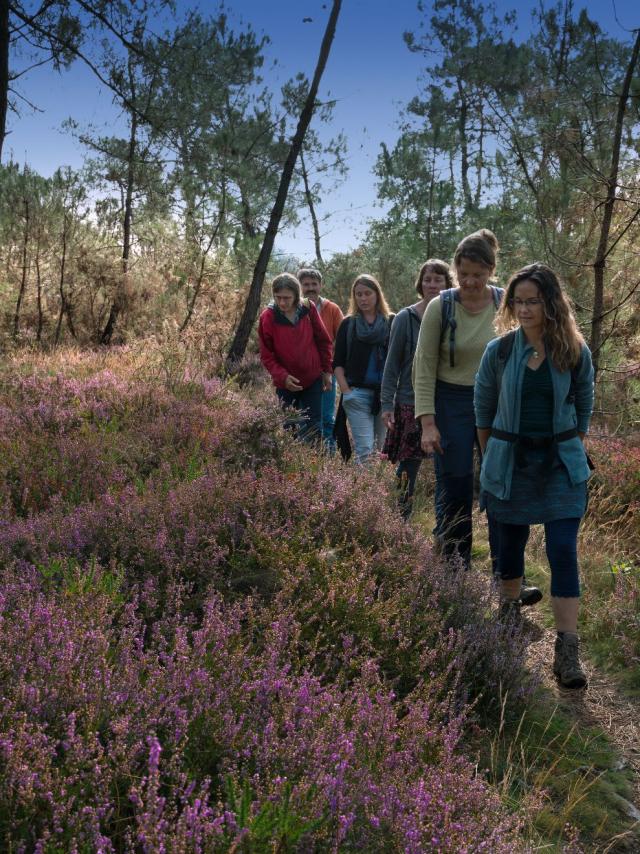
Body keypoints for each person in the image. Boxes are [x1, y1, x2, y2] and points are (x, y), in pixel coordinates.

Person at [474, 263, 594, 689]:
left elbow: (583, 407)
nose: (524, 309)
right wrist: (494, 458)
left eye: (533, 301)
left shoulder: (573, 350)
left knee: (563, 549)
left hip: (561, 466)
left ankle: (567, 650)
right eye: (518, 301)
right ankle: (508, 618)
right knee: (510, 548)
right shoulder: (499, 352)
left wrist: (565, 447)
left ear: (550, 303)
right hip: (509, 463)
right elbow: (482, 412)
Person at [413, 230, 542, 610]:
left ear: (491, 271)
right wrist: (427, 422)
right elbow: (424, 366)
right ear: (455, 270)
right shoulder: (442, 306)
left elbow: (527, 352)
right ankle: (454, 575)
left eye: (477, 274)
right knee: (454, 485)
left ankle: (508, 579)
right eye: (462, 273)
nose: (469, 282)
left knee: (500, 485)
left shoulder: (505, 303)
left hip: (498, 404)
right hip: (449, 400)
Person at [380, 259, 453, 518]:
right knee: (408, 466)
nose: (432, 284)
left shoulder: (454, 314)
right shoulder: (405, 317)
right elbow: (392, 364)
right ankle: (400, 521)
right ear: (420, 284)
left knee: (448, 467)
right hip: (410, 401)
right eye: (427, 279)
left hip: (446, 400)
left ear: (448, 283)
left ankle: (446, 523)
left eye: (438, 279)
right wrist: (387, 404)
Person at [258, 273, 333, 442]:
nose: (282, 302)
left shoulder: (308, 308)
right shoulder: (268, 317)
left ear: (296, 296)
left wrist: (327, 371)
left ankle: (316, 467)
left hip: (313, 379)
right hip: (286, 384)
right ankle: (291, 466)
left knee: (314, 428)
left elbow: (324, 341)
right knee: (288, 429)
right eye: (278, 298)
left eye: (287, 298)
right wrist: (283, 377)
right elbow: (266, 355)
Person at [333, 274, 394, 464]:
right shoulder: (348, 324)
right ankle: (362, 493)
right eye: (358, 294)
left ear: (377, 294)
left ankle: (375, 492)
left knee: (379, 449)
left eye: (367, 293)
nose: (363, 298)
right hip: (356, 395)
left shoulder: (392, 322)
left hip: (384, 396)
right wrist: (346, 391)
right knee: (365, 449)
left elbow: (400, 360)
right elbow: (337, 363)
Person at [298, 267, 344, 452]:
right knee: (303, 418)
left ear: (320, 285)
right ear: (300, 286)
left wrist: (335, 367)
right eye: (306, 284)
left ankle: (328, 457)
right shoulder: (294, 308)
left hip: (326, 371)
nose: (310, 288)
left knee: (326, 417)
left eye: (314, 284)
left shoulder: (331, 309)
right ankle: (305, 460)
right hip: (300, 373)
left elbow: (342, 338)